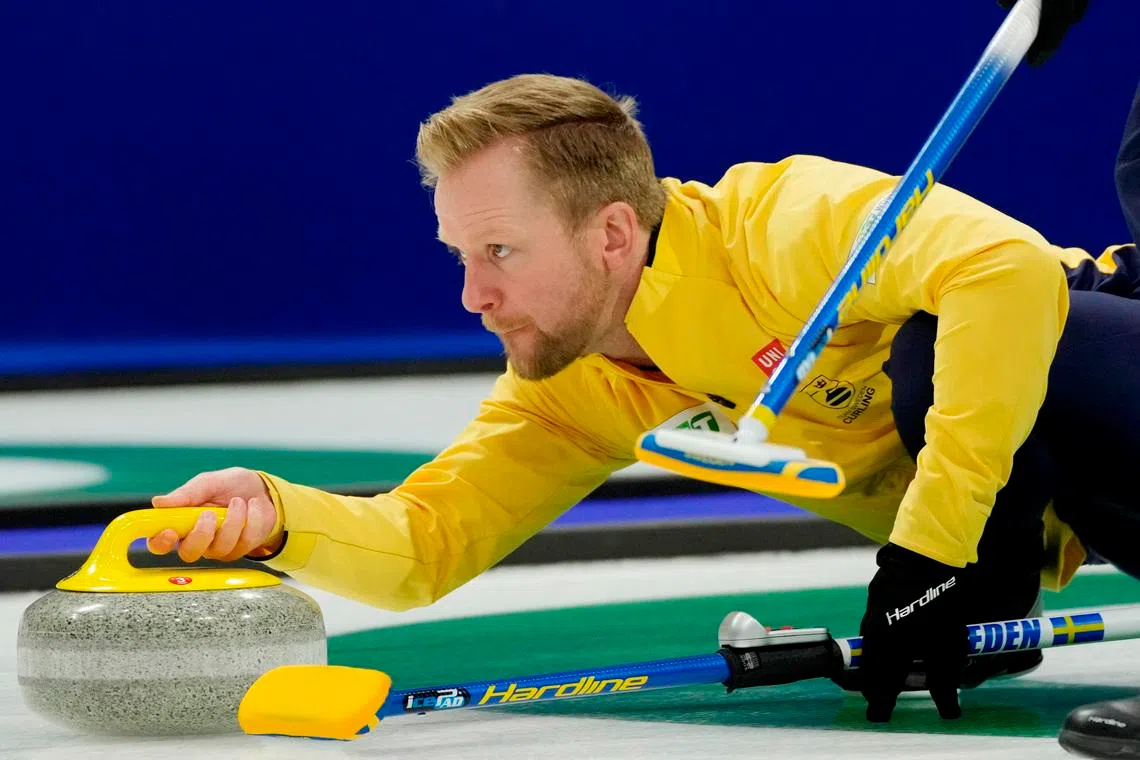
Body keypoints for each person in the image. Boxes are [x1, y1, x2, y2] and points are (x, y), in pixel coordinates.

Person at [145, 60, 1137, 724]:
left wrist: (932, 547)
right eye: (459, 256)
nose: (472, 294)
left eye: (499, 252)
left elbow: (1007, 272)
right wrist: (276, 516)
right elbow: (424, 544)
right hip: (1089, 502)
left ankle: (980, 571)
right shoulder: (570, 385)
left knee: (935, 350)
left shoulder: (780, 223)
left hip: (1114, 354)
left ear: (612, 233)